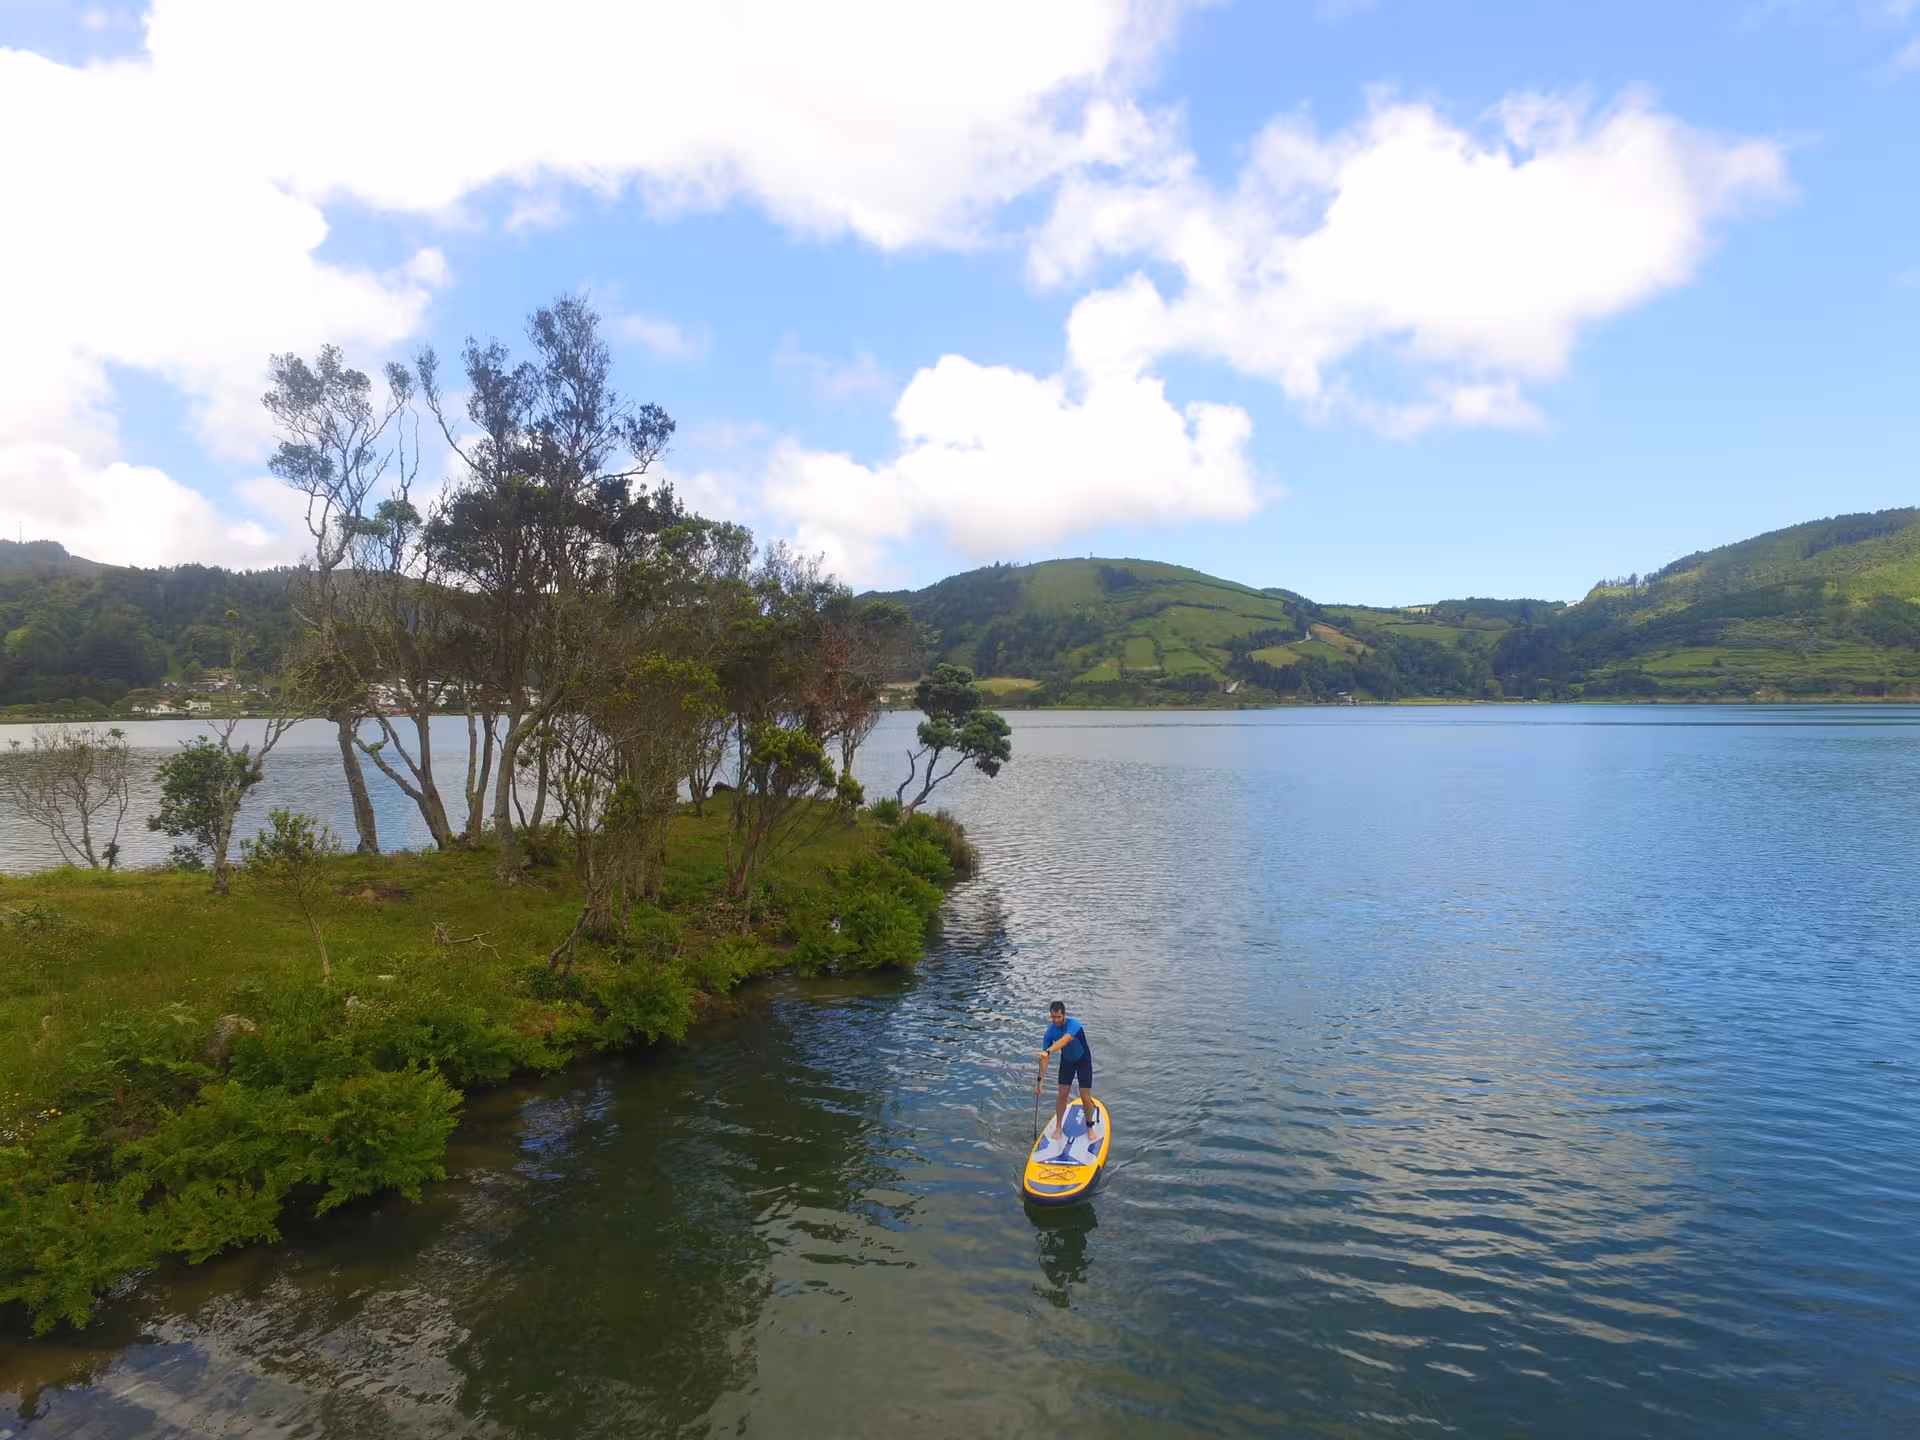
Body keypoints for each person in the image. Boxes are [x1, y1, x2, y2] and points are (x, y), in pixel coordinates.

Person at [1036, 1000, 1100, 1147]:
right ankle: (1058, 1127)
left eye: (1058, 1017)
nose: (1056, 1020)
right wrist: (1040, 1081)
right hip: (1067, 1062)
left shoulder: (1074, 1025)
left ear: (1064, 1015)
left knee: (1085, 1096)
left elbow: (1065, 1041)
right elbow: (1045, 1059)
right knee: (1062, 1095)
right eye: (1053, 1017)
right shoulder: (1050, 1032)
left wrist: (1048, 1050)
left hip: (1083, 1061)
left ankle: (1090, 1128)